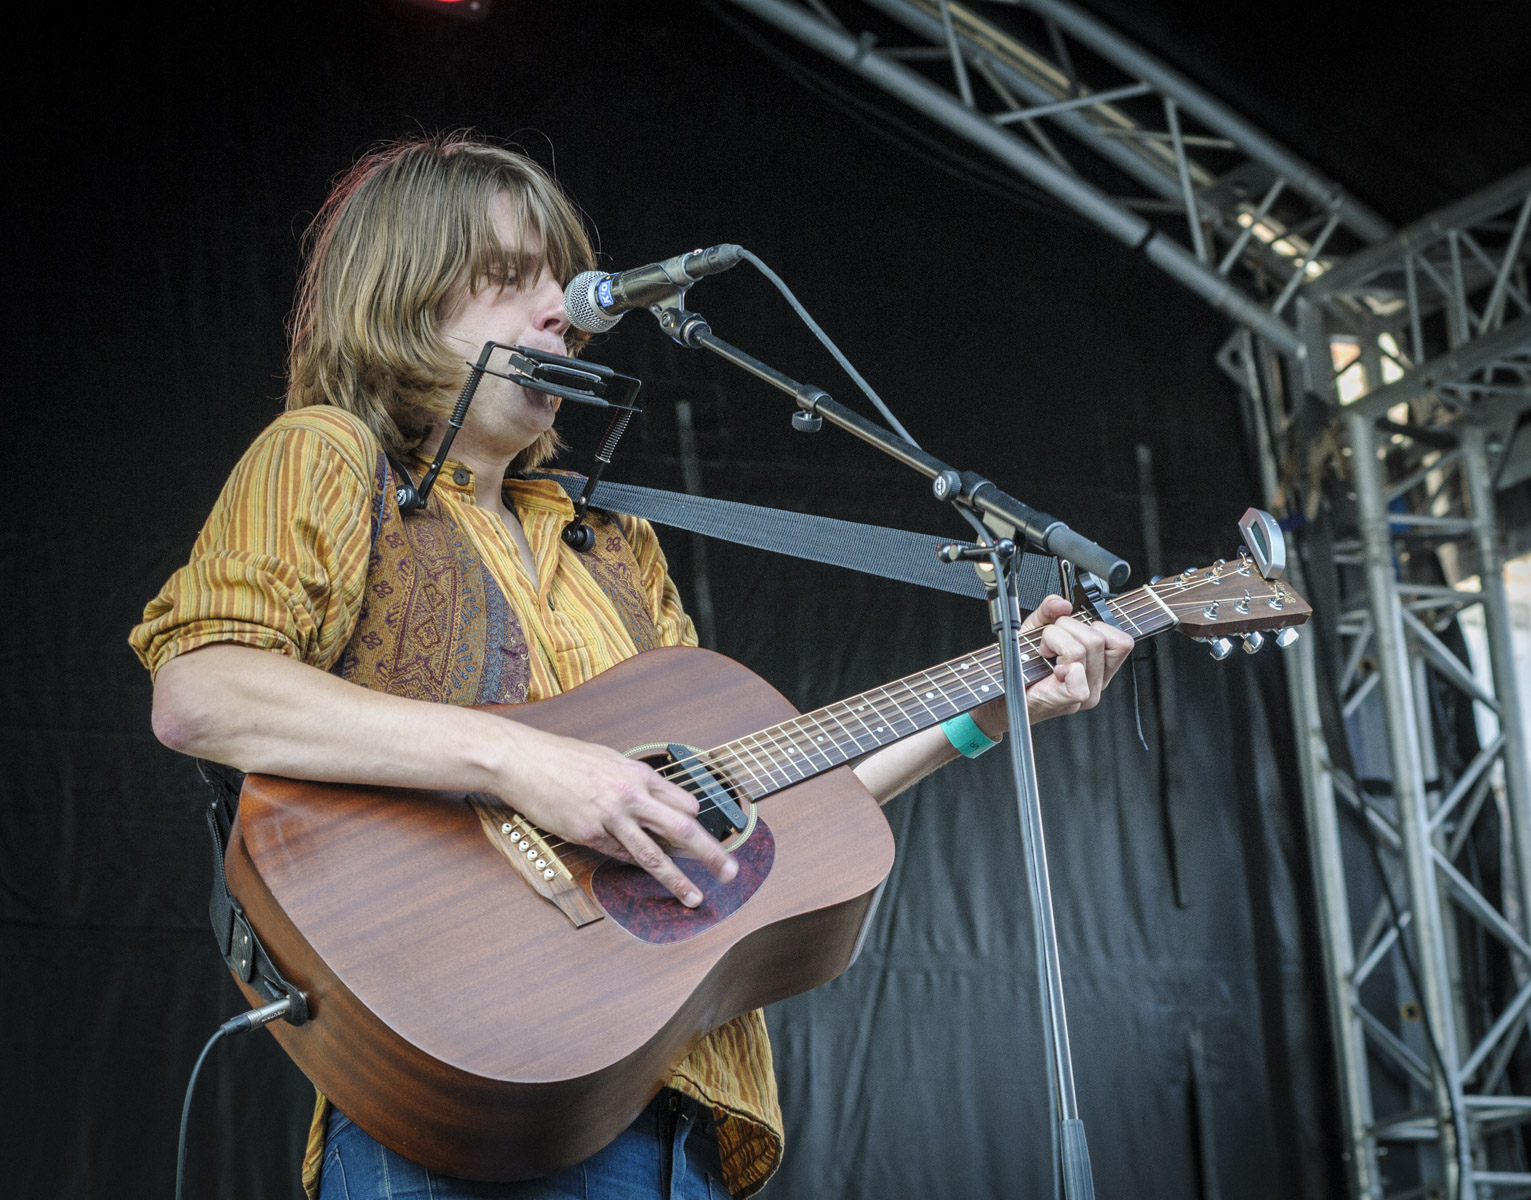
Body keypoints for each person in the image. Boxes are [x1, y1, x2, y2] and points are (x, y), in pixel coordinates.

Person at [129, 132, 1134, 1200]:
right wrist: (525, 764)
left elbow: (748, 817)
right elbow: (202, 691)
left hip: (668, 1104)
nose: (565, 310)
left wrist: (992, 705)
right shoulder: (331, 456)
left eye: (561, 283)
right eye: (512, 279)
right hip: (473, 1084)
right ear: (405, 293)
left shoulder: (611, 542)